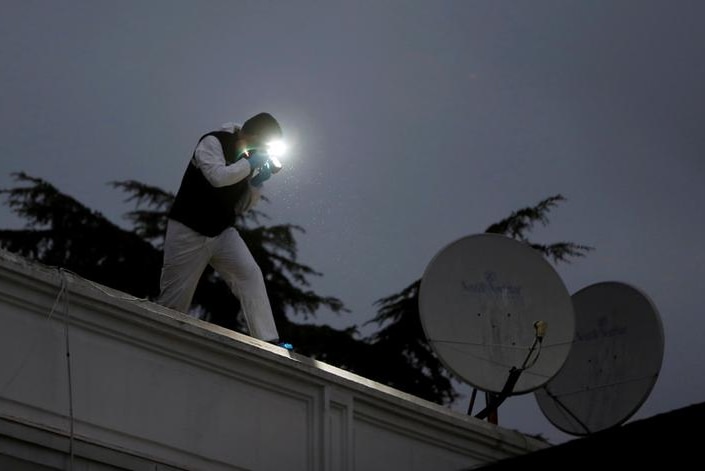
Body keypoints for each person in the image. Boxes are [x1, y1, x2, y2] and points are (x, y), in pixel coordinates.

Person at [158, 112, 292, 350]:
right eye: (264, 144)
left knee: (249, 274)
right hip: (188, 229)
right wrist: (249, 164)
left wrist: (256, 183)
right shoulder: (212, 142)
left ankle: (268, 341)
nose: (264, 150)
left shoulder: (249, 157)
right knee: (173, 303)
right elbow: (218, 177)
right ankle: (160, 342)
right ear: (252, 135)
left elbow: (241, 207)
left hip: (221, 231)